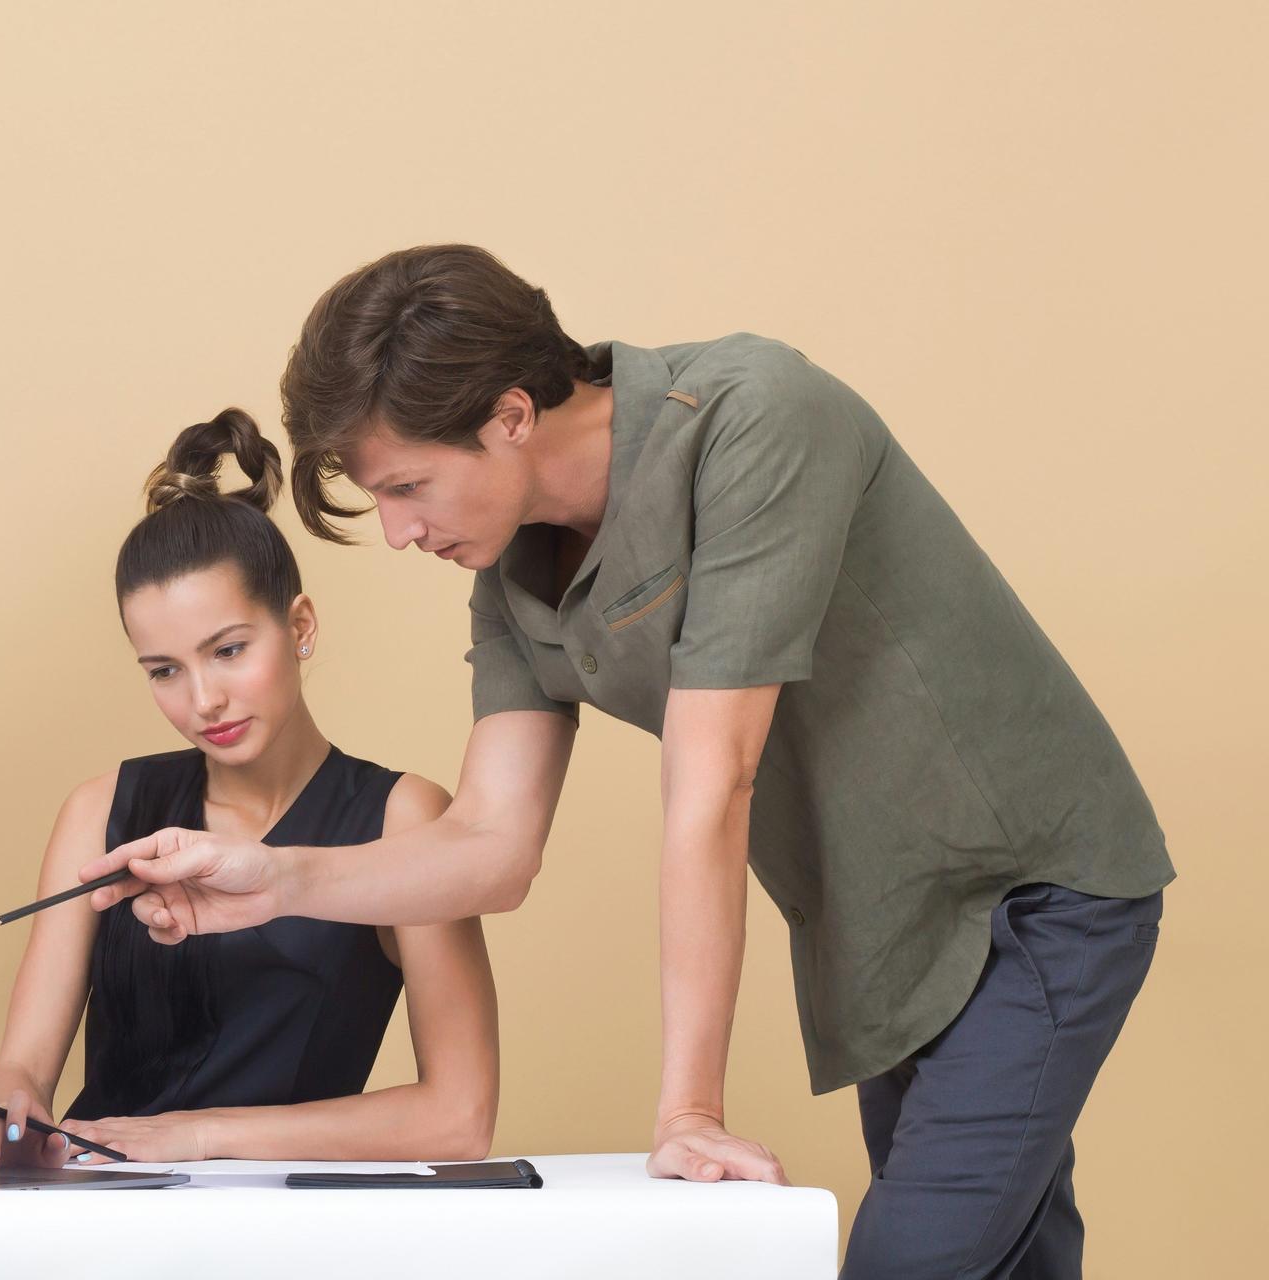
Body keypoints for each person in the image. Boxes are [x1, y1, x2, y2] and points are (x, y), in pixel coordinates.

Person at [85, 246, 1172, 1276]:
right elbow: (490, 845)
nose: (399, 532)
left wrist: (686, 1111)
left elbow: (713, 785)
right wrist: (271, 881)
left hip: (1028, 890)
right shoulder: (511, 568)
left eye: (407, 486)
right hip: (878, 934)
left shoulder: (755, 419)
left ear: (510, 415)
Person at [0, 408, 498, 1170]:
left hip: (278, 1225)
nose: (203, 701)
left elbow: (459, 1118)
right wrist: (7, 1106)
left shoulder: (403, 820)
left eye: (228, 650)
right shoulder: (101, 812)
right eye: (164, 670)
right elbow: (23, 1071)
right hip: (96, 1211)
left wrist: (195, 1138)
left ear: (299, 626)